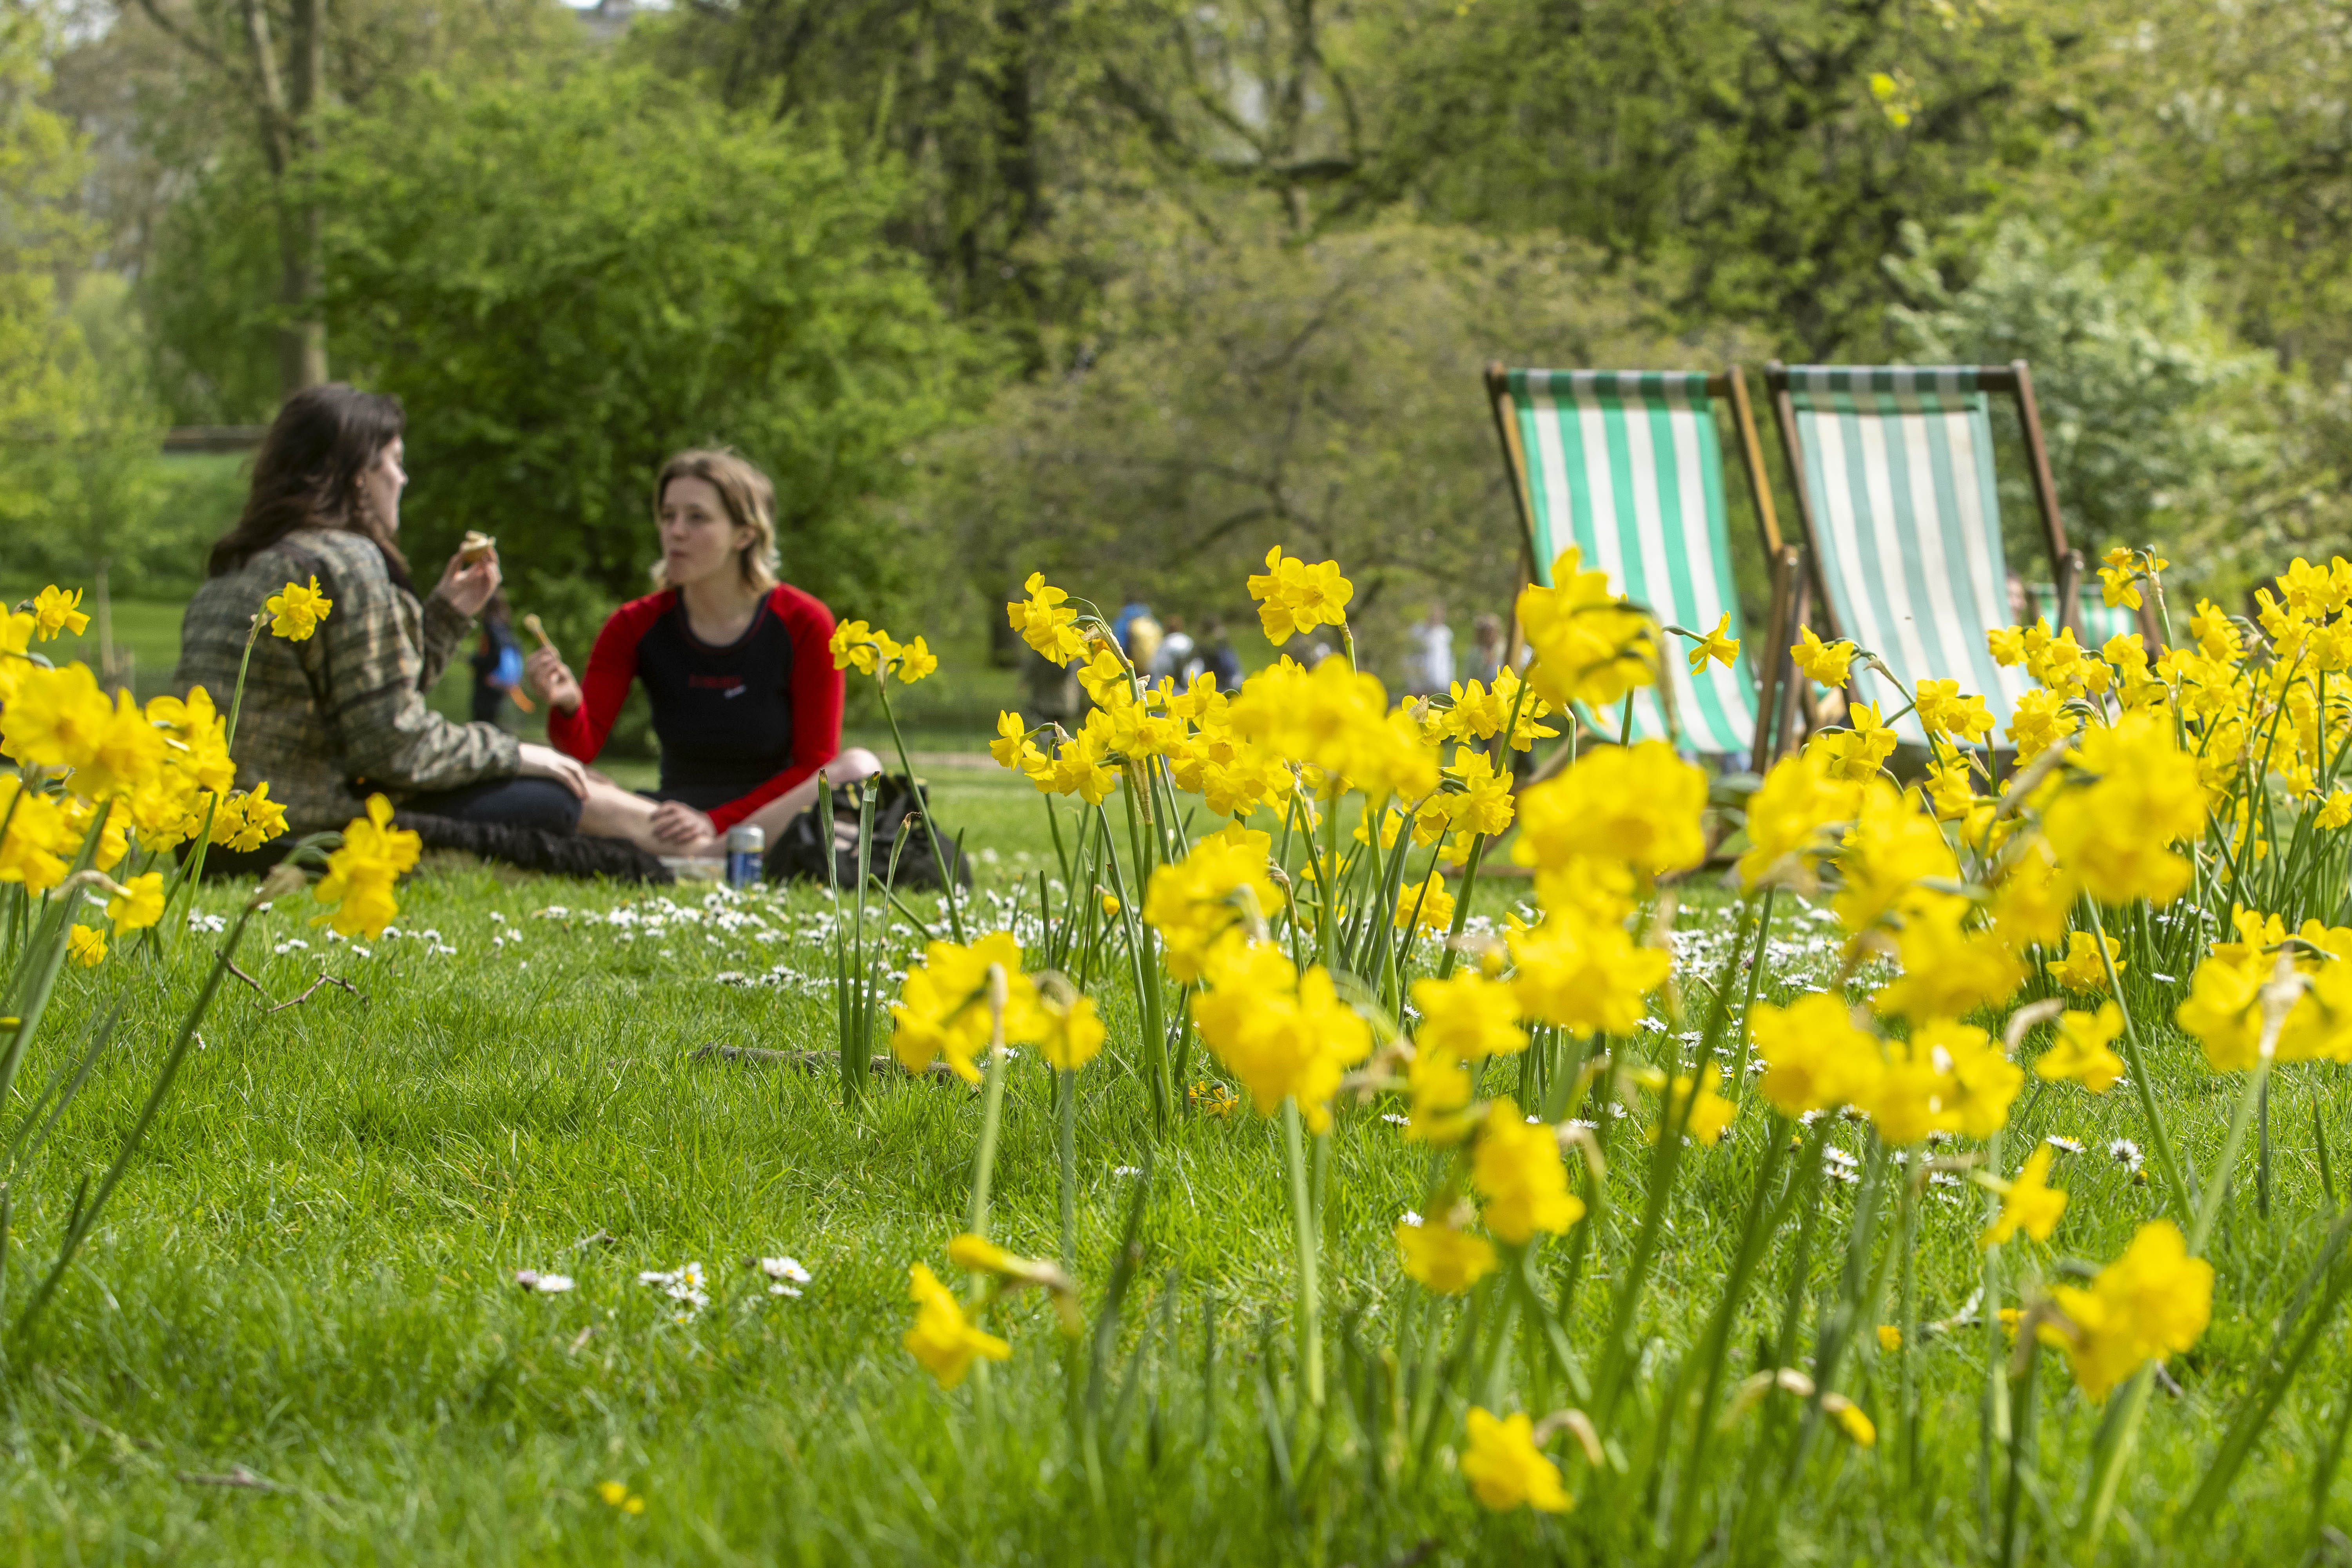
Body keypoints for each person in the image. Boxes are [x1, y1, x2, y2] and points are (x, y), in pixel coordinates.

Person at [176, 384, 676, 866]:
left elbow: (363, 704)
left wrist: (445, 617)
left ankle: (698, 835)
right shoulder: (347, 561)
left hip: (209, 836)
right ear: (356, 476)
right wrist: (516, 753)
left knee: (558, 778)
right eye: (395, 462)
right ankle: (706, 844)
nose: (403, 479)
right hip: (299, 832)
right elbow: (392, 747)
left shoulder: (239, 566)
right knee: (551, 796)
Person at [528, 448, 883, 855]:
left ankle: (707, 855)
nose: (675, 531)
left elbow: (815, 763)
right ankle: (715, 857)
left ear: (745, 534)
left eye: (697, 518)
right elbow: (581, 750)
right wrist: (569, 705)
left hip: (771, 814)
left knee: (859, 769)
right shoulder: (633, 624)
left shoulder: (805, 621)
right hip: (667, 816)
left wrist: (714, 822)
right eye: (668, 516)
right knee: (557, 778)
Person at [470, 590, 528, 726]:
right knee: (495, 721)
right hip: (503, 684)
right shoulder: (506, 627)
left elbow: (490, 656)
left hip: (489, 684)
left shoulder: (490, 628)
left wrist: (474, 661)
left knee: (482, 724)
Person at [1406, 602, 1454, 696]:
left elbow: (1448, 661)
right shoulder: (1418, 631)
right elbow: (1411, 659)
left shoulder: (1445, 633)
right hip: (1422, 687)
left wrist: (1450, 684)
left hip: (1442, 687)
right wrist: (1414, 685)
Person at [1199, 617, 1243, 690]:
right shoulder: (1221, 647)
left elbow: (1229, 666)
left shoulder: (1223, 649)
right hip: (1222, 682)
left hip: (1225, 681)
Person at [1151, 613, 1196, 682]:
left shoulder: (1164, 644)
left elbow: (1155, 666)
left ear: (1167, 628)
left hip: (1167, 685)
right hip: (1188, 685)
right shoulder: (1188, 642)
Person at [1469, 613, 1505, 686]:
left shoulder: (1505, 649)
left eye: (1491, 631)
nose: (1489, 635)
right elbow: (1469, 677)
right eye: (1485, 632)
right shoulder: (1474, 654)